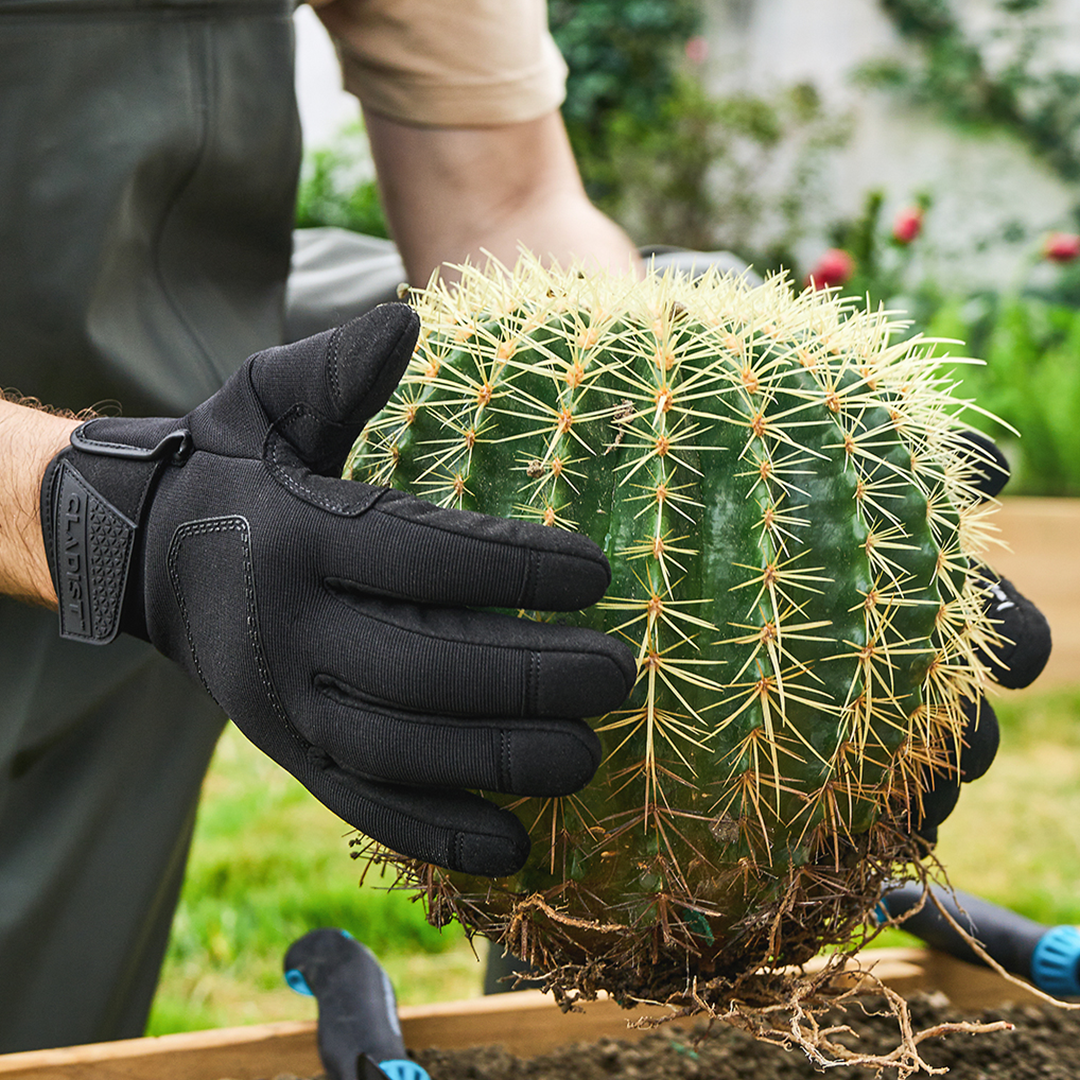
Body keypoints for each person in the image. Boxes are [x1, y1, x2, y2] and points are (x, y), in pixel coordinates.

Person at [0, 0, 1049, 1054]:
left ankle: (633, 927)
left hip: (186, 338)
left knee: (692, 312)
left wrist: (790, 557)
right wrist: (100, 518)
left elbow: (504, 194)